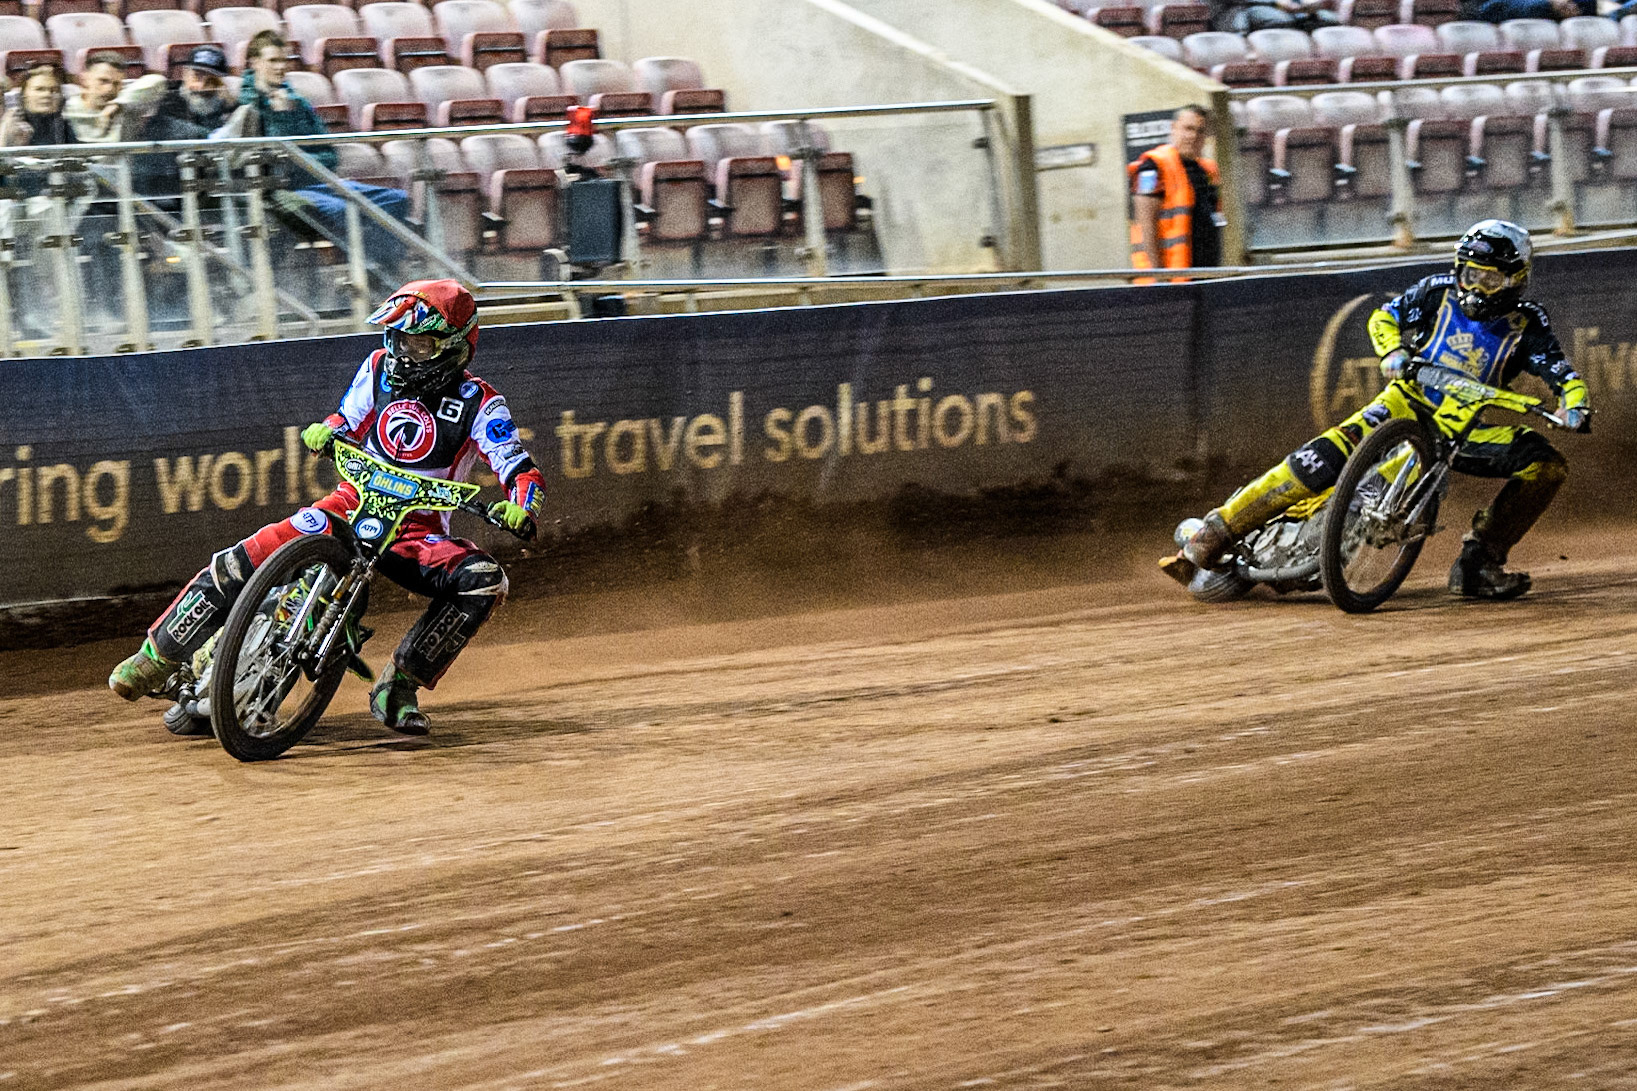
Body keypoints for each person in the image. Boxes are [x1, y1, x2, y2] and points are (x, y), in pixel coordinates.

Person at [108, 279, 547, 735]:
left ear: (453, 347)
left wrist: (522, 506)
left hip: (416, 534)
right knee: (250, 553)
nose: (402, 351)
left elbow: (518, 466)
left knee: (485, 581)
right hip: (347, 505)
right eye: (397, 338)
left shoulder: (481, 403)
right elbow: (347, 420)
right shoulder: (377, 367)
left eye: (417, 343)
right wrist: (327, 430)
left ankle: (399, 686)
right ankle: (154, 658)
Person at [1163, 220, 1592, 601]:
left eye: (1489, 279)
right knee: (1318, 458)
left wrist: (1574, 404)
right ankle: (1215, 532)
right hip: (1400, 403)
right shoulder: (1436, 291)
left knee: (1546, 465)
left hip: (1460, 431)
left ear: (1515, 281)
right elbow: (1384, 317)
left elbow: (1562, 375)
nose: (1475, 287)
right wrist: (1391, 351)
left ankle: (1479, 562)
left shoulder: (1529, 325)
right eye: (1469, 274)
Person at [223, 29, 409, 272]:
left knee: (397, 199)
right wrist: (282, 120)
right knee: (344, 211)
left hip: (320, 183)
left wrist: (304, 161)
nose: (280, 67)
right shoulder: (247, 107)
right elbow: (274, 160)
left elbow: (329, 155)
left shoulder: (298, 103)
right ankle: (371, 273)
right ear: (255, 63)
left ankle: (380, 271)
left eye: (284, 60)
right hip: (280, 192)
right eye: (273, 61)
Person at [1128, 104, 1221, 285]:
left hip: (1203, 276)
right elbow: (1146, 221)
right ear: (1173, 128)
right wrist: (1160, 277)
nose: (1193, 136)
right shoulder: (1153, 165)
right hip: (1169, 281)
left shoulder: (1207, 170)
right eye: (1188, 128)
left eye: (1200, 131)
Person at [63, 51, 165, 144]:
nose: (110, 89)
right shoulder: (67, 108)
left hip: (118, 164)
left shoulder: (127, 105)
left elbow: (159, 81)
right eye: (103, 81)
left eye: (116, 84)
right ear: (84, 79)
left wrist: (117, 103)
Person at [1217, 0, 1338, 33]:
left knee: (1329, 19)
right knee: (1281, 20)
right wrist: (1276, 3)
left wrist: (1304, 3)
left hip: (1289, 9)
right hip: (1238, 12)